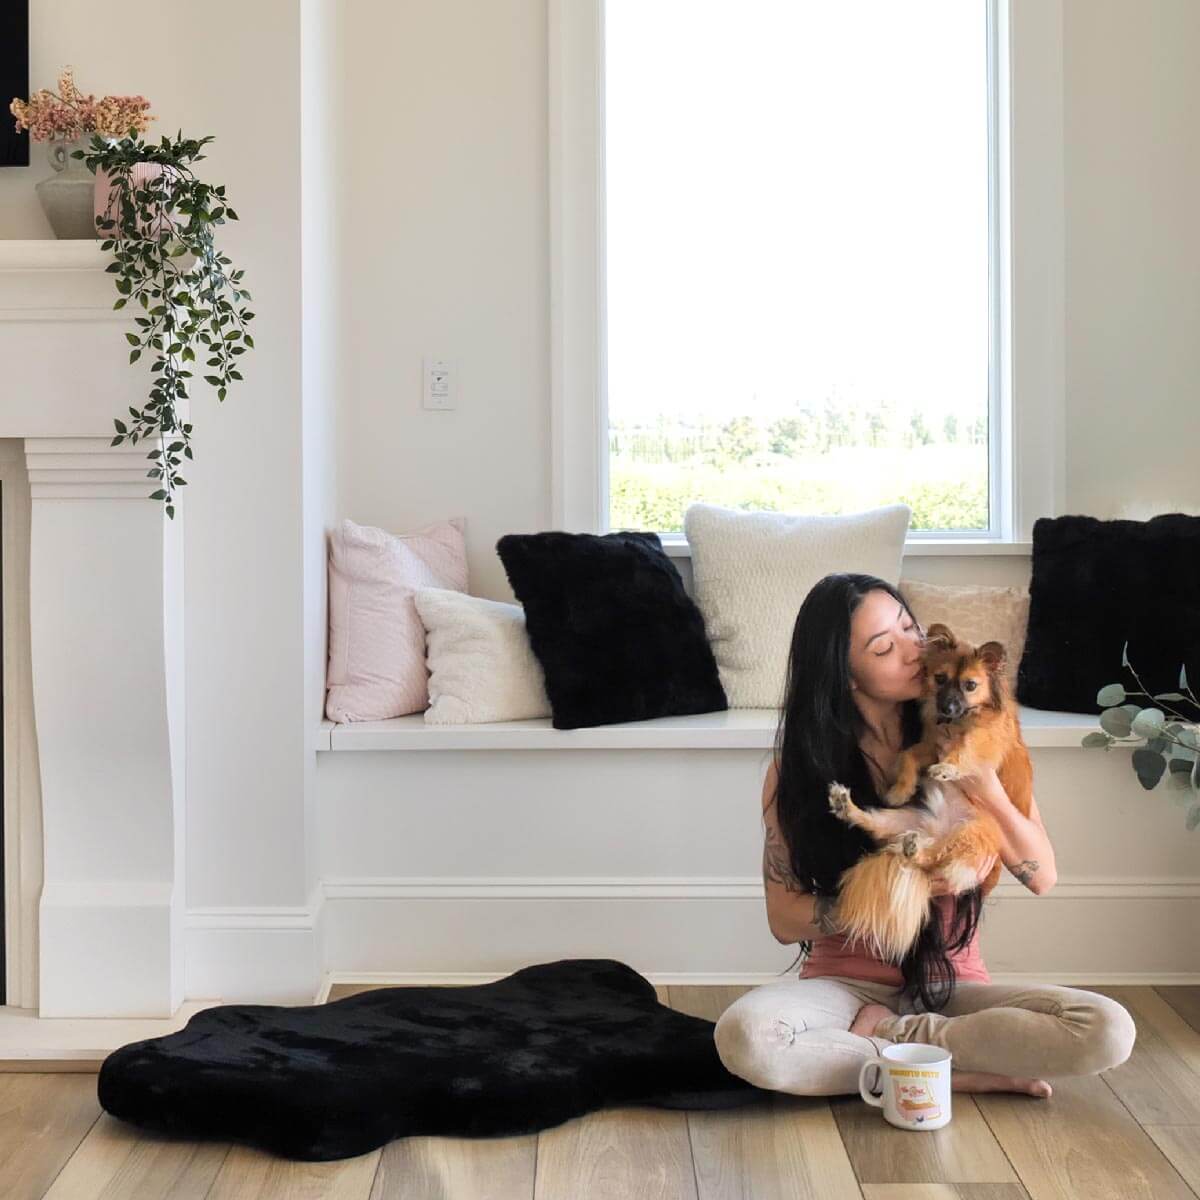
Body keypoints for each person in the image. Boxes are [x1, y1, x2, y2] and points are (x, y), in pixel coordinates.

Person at [713, 572, 1137, 1098]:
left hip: (953, 988)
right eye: (885, 647)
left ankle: (895, 1045)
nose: (914, 650)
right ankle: (945, 1069)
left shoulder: (977, 736)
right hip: (842, 988)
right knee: (746, 1037)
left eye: (910, 628)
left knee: (1106, 1029)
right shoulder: (798, 772)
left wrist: (984, 785)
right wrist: (894, 895)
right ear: (845, 676)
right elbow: (784, 920)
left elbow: (1041, 875)